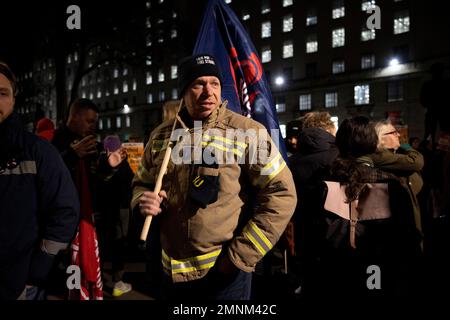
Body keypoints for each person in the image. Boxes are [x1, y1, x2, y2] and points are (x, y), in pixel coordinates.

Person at [131, 54, 296, 300]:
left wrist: (240, 256)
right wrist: (141, 200)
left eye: (215, 83)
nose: (209, 92)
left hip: (225, 274)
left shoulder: (247, 132)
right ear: (184, 92)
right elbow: (141, 183)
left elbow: (281, 194)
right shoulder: (161, 135)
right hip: (170, 272)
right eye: (199, 83)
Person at [305, 116, 422, 297]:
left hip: (335, 269)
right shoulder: (390, 182)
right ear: (372, 143)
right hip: (378, 268)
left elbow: (310, 233)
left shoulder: (322, 181)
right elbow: (407, 236)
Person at [0, 61, 79, 300]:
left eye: (2, 93)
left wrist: (38, 269)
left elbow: (65, 210)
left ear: (13, 99)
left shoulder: (38, 151)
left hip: (20, 288)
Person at [53, 98, 129, 299]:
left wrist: (110, 165)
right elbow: (50, 176)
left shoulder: (92, 143)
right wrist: (71, 155)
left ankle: (90, 288)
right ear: (75, 117)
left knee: (92, 261)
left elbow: (99, 174)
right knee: (71, 265)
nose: (94, 126)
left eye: (95, 122)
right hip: (68, 217)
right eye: (90, 121)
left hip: (94, 215)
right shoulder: (56, 142)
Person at [288, 111, 339, 295]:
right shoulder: (338, 157)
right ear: (329, 129)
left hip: (300, 229)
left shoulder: (291, 161)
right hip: (332, 230)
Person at [371, 120, 424, 237]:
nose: (398, 135)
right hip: (399, 221)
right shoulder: (381, 156)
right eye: (394, 132)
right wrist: (407, 147)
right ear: (381, 138)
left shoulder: (392, 154)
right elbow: (417, 162)